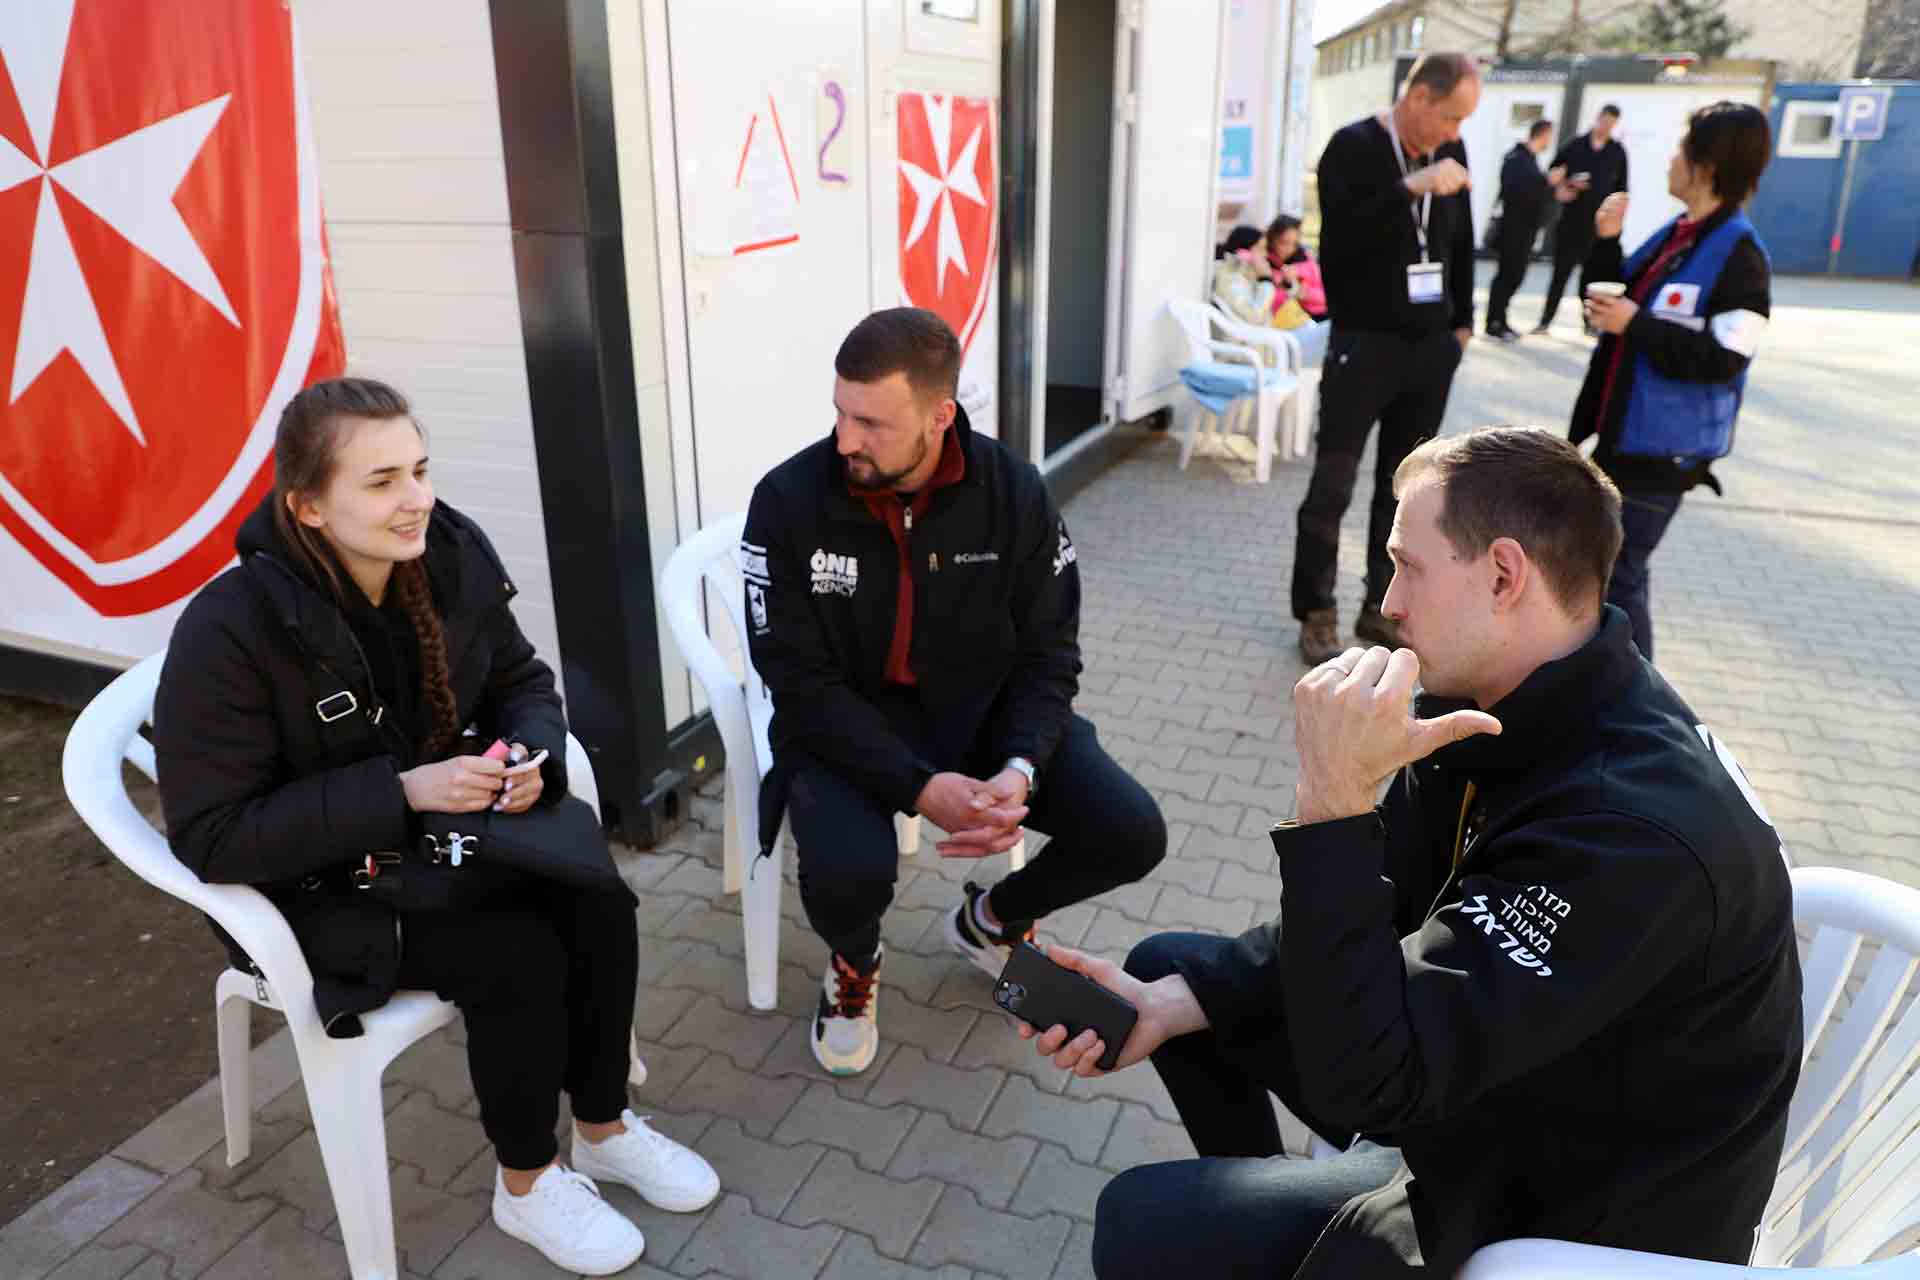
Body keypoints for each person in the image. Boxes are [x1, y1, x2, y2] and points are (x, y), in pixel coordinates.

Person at [1018, 428, 1803, 1279]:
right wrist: (1179, 999)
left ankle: (1267, 1234)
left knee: (1136, 1222)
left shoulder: (1630, 832)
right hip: (1504, 1078)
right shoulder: (1499, 704)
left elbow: (1379, 1086)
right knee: (1174, 972)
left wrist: (1332, 805)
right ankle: (1261, 1206)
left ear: (1504, 575)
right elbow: (1382, 907)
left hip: (1573, 1208)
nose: (1388, 603)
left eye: (1408, 566)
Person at [154, 378, 719, 1277]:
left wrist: (533, 756)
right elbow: (213, 834)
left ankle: (605, 1128)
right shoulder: (231, 628)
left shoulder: (444, 553)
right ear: (307, 505)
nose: (416, 498)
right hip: (312, 885)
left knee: (599, 898)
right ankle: (527, 1184)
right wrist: (404, 791)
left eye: (419, 469)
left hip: (432, 840)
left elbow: (524, 680)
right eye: (380, 482)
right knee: (519, 949)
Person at [741, 307, 1167, 1077]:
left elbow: (1049, 654)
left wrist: (1020, 769)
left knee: (1132, 830)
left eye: (871, 422)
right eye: (840, 412)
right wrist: (917, 785)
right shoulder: (788, 500)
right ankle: (854, 959)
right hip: (845, 731)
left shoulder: (1013, 492)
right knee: (848, 872)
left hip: (981, 719)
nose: (845, 439)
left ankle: (990, 919)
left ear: (940, 415)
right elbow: (795, 680)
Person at [1293, 52, 1480, 665]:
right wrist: (1406, 188)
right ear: (1419, 96)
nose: (1455, 134)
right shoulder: (1352, 147)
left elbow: (1461, 240)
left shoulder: (1453, 152)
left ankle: (1382, 605)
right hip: (1364, 343)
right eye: (1450, 116)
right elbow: (1338, 240)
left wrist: (1463, 321)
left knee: (1404, 494)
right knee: (1333, 483)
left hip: (1429, 348)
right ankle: (1315, 609)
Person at [1572, 101, 1773, 661]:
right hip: (1620, 434)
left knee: (1619, 575)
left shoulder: (1740, 254)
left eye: (1682, 148)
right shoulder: (1677, 233)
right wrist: (1606, 242)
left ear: (1707, 165)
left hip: (1662, 450)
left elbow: (1726, 357)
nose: (1671, 159)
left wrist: (1639, 324)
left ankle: (1642, 707)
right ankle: (1618, 697)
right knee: (1609, 573)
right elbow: (1616, 302)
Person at [1536, 104, 1628, 335]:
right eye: (1604, 120)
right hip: (1570, 222)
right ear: (1597, 118)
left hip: (1597, 228)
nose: (1606, 126)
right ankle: (1545, 321)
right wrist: (1566, 185)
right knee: (1560, 274)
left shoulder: (1617, 151)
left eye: (1612, 123)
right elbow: (1553, 172)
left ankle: (1589, 324)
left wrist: (1615, 219)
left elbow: (1622, 189)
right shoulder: (1575, 145)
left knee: (1591, 278)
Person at [1484, 119, 1556, 340]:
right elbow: (1515, 191)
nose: (1549, 141)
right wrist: (1546, 182)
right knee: (1508, 275)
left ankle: (1501, 319)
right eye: (1549, 136)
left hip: (1525, 230)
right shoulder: (1516, 158)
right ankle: (1494, 322)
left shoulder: (1531, 160)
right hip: (1513, 230)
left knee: (1515, 275)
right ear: (1541, 135)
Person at [1264, 214, 1328, 323]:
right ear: (1271, 239)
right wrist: (1286, 284)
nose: (1289, 249)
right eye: (1284, 242)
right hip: (1295, 322)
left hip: (1320, 315)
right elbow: (1273, 303)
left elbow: (1325, 295)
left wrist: (1304, 293)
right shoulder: (1264, 263)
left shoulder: (1306, 259)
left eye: (1294, 244)